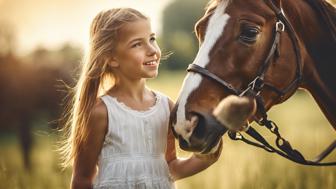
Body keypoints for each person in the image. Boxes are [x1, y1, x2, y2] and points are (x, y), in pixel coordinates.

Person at [59, 8, 222, 189]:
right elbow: (82, 180)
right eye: (137, 44)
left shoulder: (166, 107)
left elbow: (170, 168)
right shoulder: (101, 112)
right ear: (111, 58)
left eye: (152, 39)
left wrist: (209, 151)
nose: (152, 50)